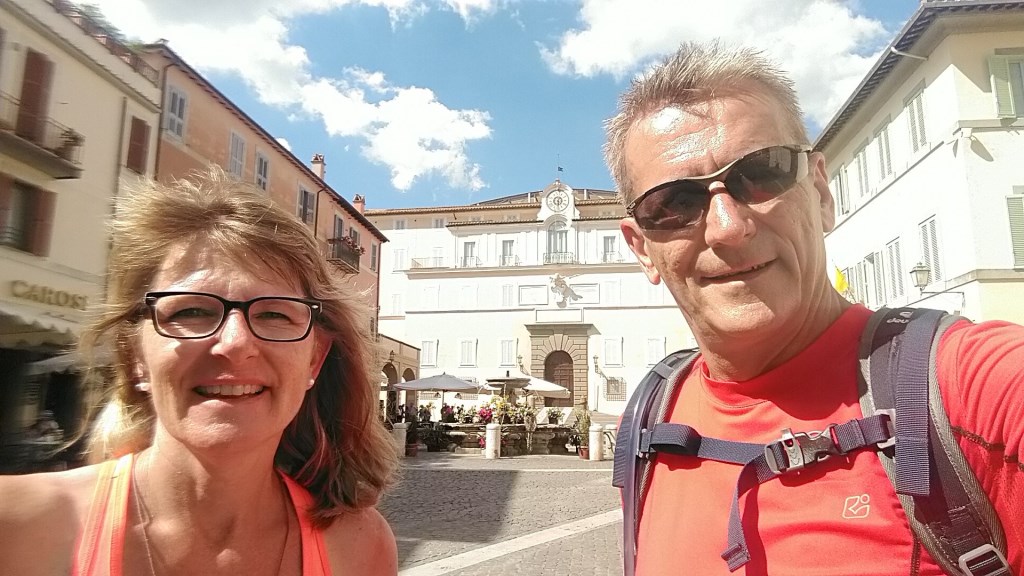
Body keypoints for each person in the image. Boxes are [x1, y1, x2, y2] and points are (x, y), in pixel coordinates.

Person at [606, 40, 1023, 575]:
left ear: (821, 194)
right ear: (642, 248)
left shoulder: (969, 385)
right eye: (673, 203)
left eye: (761, 173)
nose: (728, 228)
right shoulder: (651, 419)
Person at [0, 168, 399, 576]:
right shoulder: (15, 527)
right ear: (134, 353)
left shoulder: (361, 547)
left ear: (315, 358)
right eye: (191, 311)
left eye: (275, 314)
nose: (235, 343)